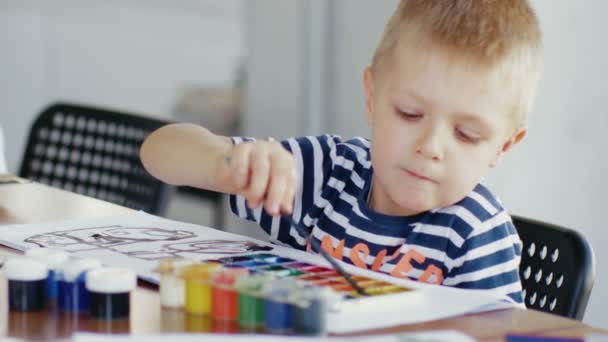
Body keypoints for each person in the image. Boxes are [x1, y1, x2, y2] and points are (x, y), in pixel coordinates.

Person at [140, 0, 543, 305]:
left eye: (467, 135)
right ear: (371, 96)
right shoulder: (329, 175)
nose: (431, 147)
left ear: (502, 146)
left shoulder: (475, 234)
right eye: (409, 113)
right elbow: (158, 152)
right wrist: (223, 165)